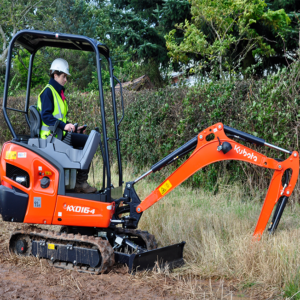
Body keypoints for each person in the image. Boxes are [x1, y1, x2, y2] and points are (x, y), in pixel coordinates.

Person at [37, 58, 97, 193]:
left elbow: (60, 118)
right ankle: (80, 183)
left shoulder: (58, 92)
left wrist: (74, 128)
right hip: (50, 138)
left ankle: (78, 183)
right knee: (89, 141)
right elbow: (46, 117)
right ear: (55, 75)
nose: (66, 80)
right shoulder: (48, 92)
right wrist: (64, 126)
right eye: (64, 76)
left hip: (59, 134)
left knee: (86, 141)